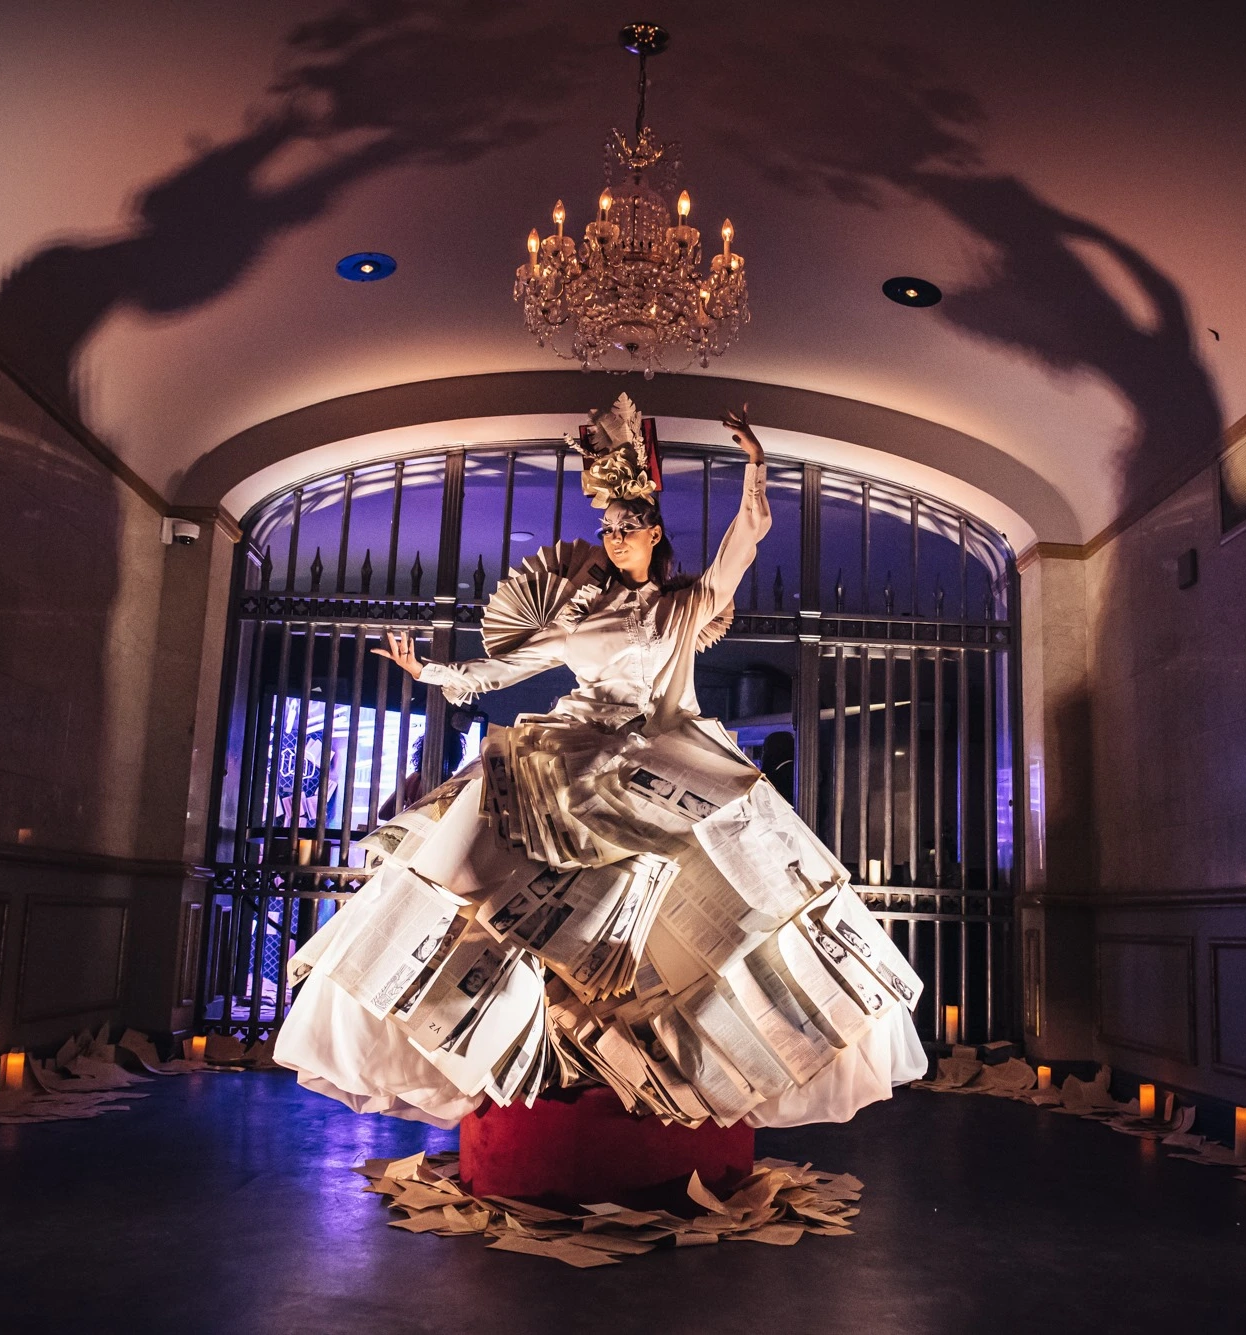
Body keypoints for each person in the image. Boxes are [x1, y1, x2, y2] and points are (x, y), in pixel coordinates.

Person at [275, 399, 924, 1127]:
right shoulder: (580, 619)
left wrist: (755, 466)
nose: (615, 539)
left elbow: (742, 546)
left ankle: (671, 1058)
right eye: (608, 530)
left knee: (707, 898)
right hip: (573, 744)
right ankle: (516, 1035)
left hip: (662, 749)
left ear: (654, 533)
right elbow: (502, 670)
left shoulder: (685, 605)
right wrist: (428, 671)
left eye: (628, 527)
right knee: (478, 854)